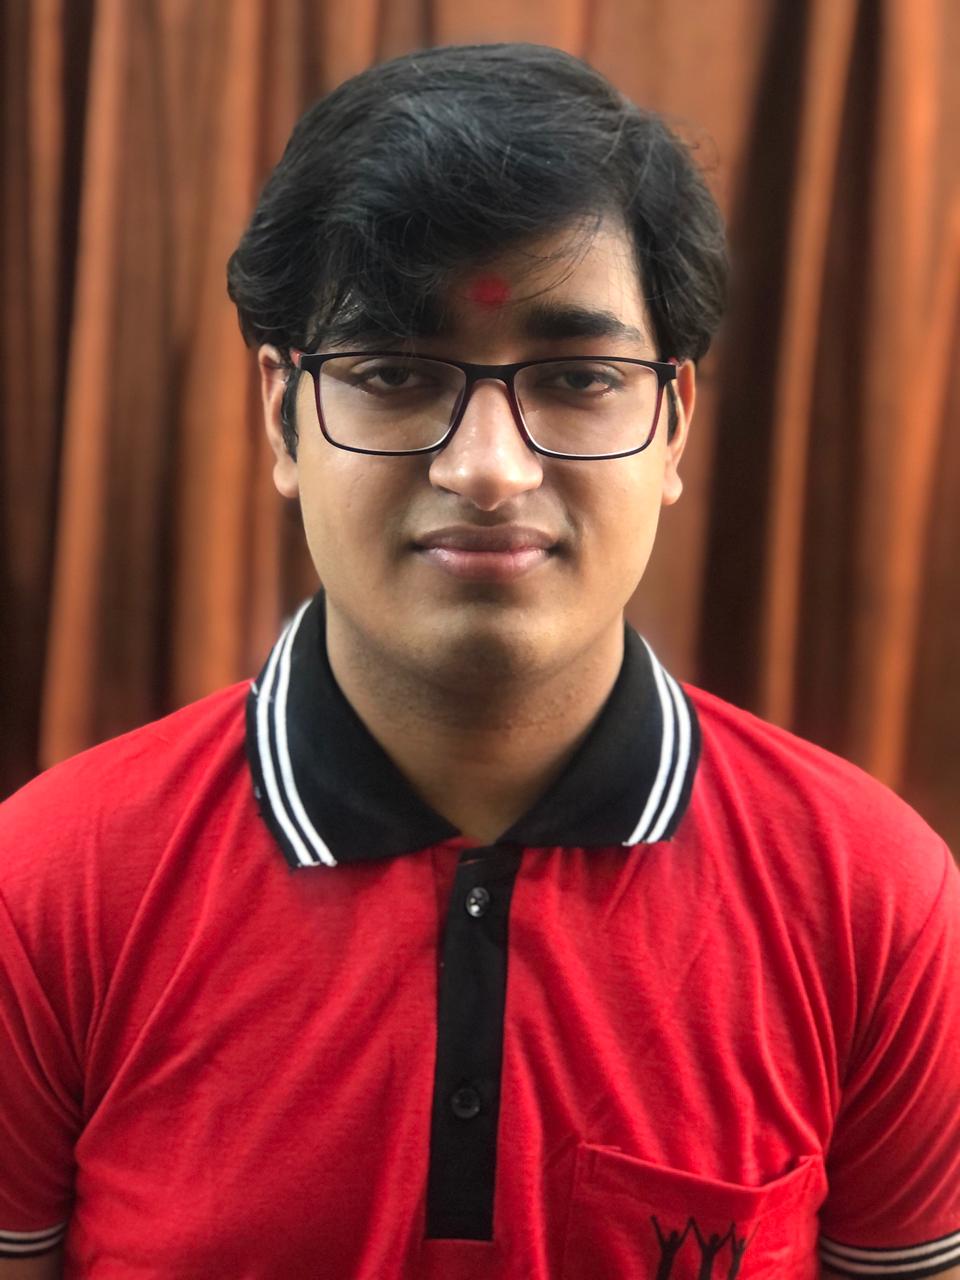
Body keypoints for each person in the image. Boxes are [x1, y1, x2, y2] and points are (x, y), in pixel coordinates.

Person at [1, 42, 958, 1280]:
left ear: (673, 424)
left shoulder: (875, 900)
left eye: (579, 378)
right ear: (282, 414)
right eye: (394, 372)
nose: (489, 469)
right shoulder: (47, 889)